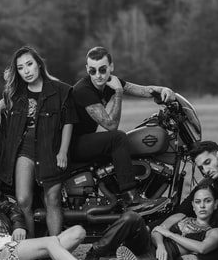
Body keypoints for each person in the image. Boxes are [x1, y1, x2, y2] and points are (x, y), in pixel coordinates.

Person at [0, 46, 77, 239]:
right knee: (23, 200)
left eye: (29, 64)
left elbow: (68, 121)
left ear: (38, 64)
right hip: (24, 150)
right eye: (20, 68)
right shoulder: (17, 92)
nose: (26, 71)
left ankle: (55, 251)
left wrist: (62, 151)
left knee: (52, 199)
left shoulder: (60, 90)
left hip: (50, 149)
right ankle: (32, 249)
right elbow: (6, 99)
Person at [71, 46, 176, 206]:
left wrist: (164, 90)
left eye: (102, 70)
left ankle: (117, 201)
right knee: (118, 138)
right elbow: (111, 125)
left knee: (123, 150)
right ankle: (131, 196)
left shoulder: (112, 81)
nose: (98, 76)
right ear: (87, 69)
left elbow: (143, 90)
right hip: (73, 144)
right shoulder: (83, 90)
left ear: (111, 67)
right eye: (92, 71)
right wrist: (118, 93)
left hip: (85, 140)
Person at [115, 184, 218, 260]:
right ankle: (102, 259)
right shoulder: (180, 216)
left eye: (208, 201)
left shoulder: (214, 232)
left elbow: (202, 248)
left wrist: (170, 234)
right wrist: (160, 245)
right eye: (198, 202)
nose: (202, 206)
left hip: (165, 257)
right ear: (193, 206)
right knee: (132, 218)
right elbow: (157, 231)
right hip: (153, 246)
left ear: (216, 204)